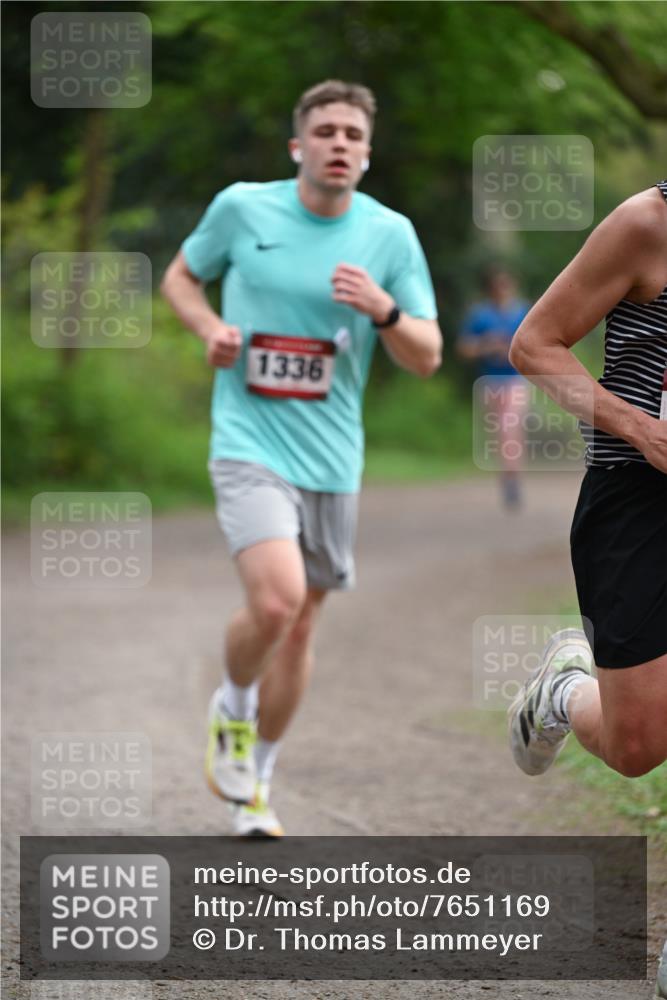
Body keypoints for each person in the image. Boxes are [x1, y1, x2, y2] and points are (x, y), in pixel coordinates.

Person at [160, 80, 441, 837]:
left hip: (331, 455)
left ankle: (257, 781)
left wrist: (383, 309)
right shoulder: (243, 208)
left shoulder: (389, 235)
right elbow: (181, 277)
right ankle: (233, 706)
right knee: (277, 601)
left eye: (352, 133)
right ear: (298, 146)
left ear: (367, 152)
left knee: (303, 624)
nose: (339, 143)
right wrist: (207, 327)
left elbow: (427, 355)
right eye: (325, 131)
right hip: (249, 439)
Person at [506, 181, 667, 998]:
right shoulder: (646, 224)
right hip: (636, 500)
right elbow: (536, 346)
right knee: (638, 747)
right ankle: (562, 689)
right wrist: (641, 428)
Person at [457, 266, 531, 508]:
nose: (503, 290)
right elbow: (464, 349)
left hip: (515, 380)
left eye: (506, 285)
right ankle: (508, 472)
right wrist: (487, 346)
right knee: (501, 432)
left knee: (510, 427)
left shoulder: (523, 312)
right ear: (492, 289)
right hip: (489, 382)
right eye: (498, 286)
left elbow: (536, 344)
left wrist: (510, 349)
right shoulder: (481, 315)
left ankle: (512, 477)